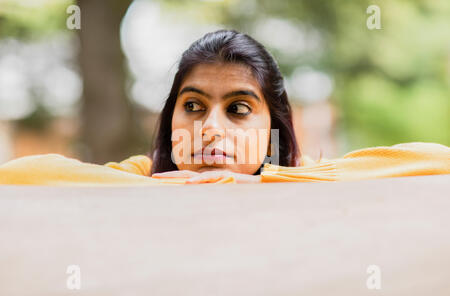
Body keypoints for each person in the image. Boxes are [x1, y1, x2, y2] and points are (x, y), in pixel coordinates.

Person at [0, 30, 448, 186]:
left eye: (238, 109)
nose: (210, 129)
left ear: (273, 123)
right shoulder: (147, 173)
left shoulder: (302, 173)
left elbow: (436, 161)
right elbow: (16, 175)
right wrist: (158, 187)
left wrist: (267, 178)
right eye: (193, 105)